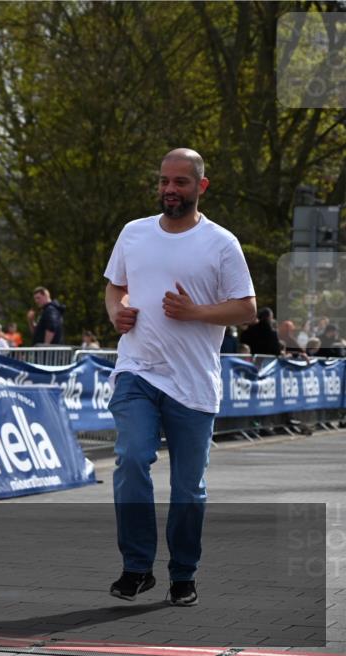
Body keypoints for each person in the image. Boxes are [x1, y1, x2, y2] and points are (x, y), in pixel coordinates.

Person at [103, 148, 255, 607]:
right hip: (137, 371)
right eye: (164, 181)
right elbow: (115, 285)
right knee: (132, 459)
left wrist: (196, 312)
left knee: (188, 488)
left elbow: (246, 308)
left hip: (193, 383)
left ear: (201, 186)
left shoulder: (221, 243)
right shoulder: (134, 232)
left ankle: (183, 573)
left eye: (180, 182)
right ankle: (136, 567)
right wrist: (116, 312)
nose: (170, 189)